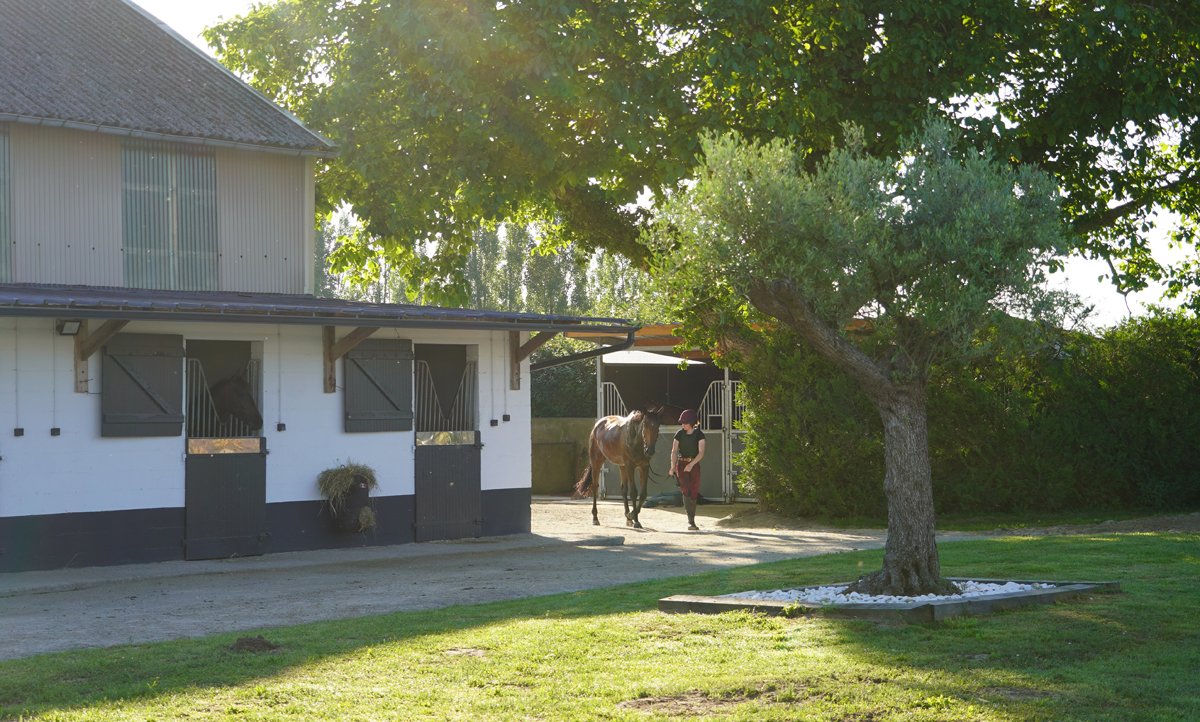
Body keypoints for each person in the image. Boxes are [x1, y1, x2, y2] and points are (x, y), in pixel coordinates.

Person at [669, 408, 706, 530]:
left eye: (685, 423)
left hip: (694, 465)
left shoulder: (699, 434)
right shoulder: (679, 434)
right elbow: (674, 451)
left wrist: (691, 464)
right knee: (685, 490)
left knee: (694, 490)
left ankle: (692, 518)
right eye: (682, 423)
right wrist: (672, 467)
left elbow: (701, 452)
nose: (683, 425)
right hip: (681, 464)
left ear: (691, 423)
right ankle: (690, 521)